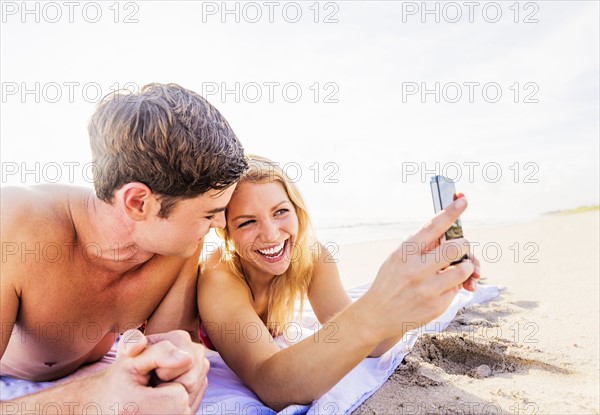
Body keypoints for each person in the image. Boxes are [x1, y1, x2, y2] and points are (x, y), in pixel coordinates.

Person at [0, 83, 248, 414]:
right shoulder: (16, 228)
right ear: (137, 202)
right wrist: (92, 395)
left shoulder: (179, 246)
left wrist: (178, 365)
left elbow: (165, 354)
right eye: (209, 212)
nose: (221, 223)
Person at [198, 155, 481, 410]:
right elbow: (271, 383)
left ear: (298, 211)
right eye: (247, 222)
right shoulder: (219, 275)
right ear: (227, 234)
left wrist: (416, 306)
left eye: (280, 212)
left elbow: (371, 344)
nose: (271, 235)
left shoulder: (310, 256)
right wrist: (377, 305)